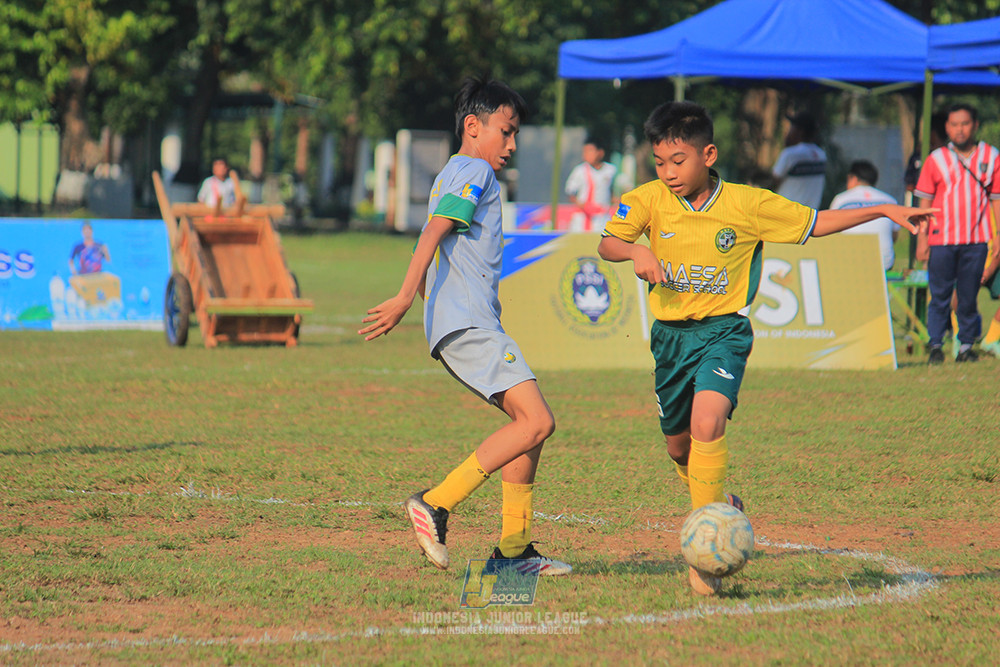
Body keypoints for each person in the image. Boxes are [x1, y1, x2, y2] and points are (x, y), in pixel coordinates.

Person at [597, 101, 934, 596]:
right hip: (670, 339)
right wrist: (636, 249)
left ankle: (704, 557)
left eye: (679, 160)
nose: (668, 172)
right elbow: (608, 243)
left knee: (707, 422)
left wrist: (883, 208)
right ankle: (721, 500)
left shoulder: (749, 204)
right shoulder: (646, 199)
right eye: (660, 161)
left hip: (723, 333)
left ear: (708, 154)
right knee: (678, 446)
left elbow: (815, 222)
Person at [358, 77, 571, 576]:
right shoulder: (475, 169)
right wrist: (408, 295)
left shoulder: (453, 172)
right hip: (470, 325)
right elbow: (435, 230)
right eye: (506, 130)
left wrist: (432, 301)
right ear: (473, 127)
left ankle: (514, 554)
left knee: (528, 429)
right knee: (538, 421)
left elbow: (442, 237)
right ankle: (435, 503)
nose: (513, 144)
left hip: (463, 323)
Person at [914, 102, 1000, 364]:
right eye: (954, 125)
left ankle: (965, 347)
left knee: (968, 295)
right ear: (947, 128)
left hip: (976, 239)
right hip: (942, 239)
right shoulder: (935, 159)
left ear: (974, 125)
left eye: (964, 124)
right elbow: (924, 202)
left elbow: (996, 198)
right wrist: (921, 240)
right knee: (939, 295)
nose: (959, 130)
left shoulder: (991, 156)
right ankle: (936, 345)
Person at [829, 160, 900, 271]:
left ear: (853, 178)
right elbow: (894, 236)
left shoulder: (841, 199)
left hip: (849, 262)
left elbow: (831, 232)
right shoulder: (890, 200)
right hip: (883, 264)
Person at [772, 111, 827, 208]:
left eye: (791, 127)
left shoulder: (790, 154)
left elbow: (773, 182)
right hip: (811, 216)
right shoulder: (821, 155)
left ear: (799, 131)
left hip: (787, 214)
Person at [565, 137, 618, 232]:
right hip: (583, 219)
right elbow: (570, 193)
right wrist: (583, 205)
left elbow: (613, 192)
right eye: (584, 152)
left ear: (600, 153)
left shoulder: (611, 170)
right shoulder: (580, 171)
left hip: (602, 218)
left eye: (590, 151)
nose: (586, 155)